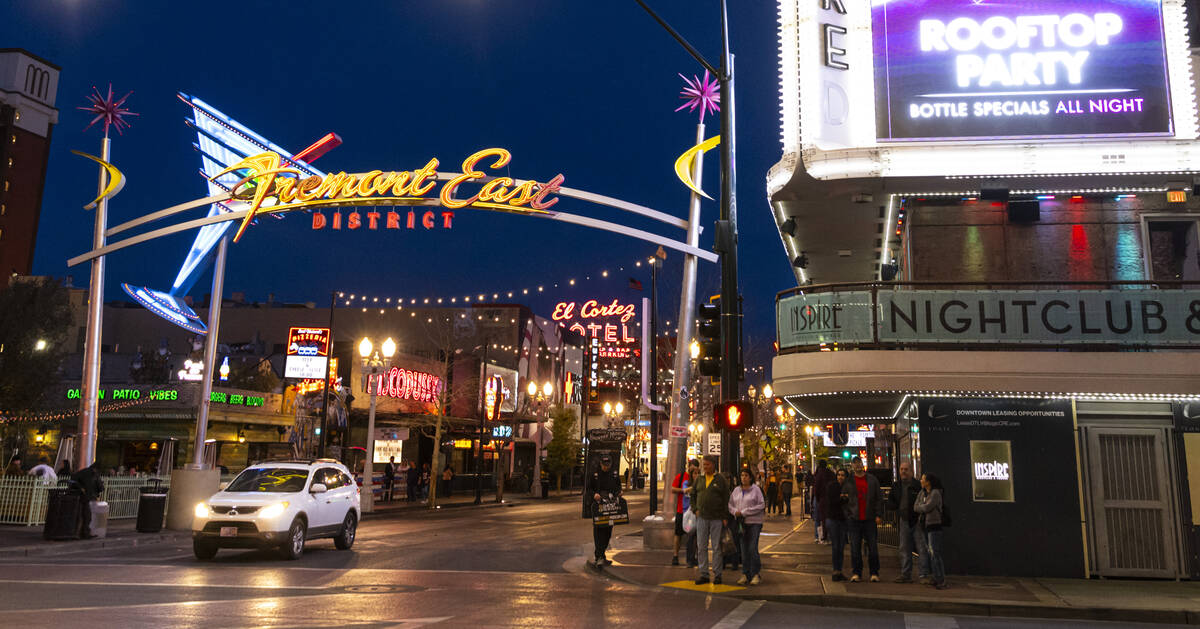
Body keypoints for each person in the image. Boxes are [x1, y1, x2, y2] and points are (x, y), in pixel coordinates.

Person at [841, 457, 883, 582]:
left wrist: (879, 514)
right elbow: (843, 500)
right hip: (854, 519)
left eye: (859, 463)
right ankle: (856, 573)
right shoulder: (848, 482)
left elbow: (878, 498)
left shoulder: (872, 480)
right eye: (855, 464)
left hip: (869, 518)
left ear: (862, 464)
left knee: (873, 547)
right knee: (855, 547)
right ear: (852, 466)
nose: (858, 466)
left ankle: (874, 573)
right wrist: (848, 515)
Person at [690, 455, 730, 585]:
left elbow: (726, 498)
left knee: (716, 547)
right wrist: (695, 509)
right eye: (704, 465)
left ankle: (717, 574)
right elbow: (693, 495)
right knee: (701, 546)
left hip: (717, 518)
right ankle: (704, 574)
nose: (705, 467)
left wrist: (724, 516)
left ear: (713, 465)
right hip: (702, 518)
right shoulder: (699, 479)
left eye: (707, 465)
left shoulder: (720, 479)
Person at [887, 461, 930, 584]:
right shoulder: (896, 486)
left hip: (917, 520)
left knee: (922, 548)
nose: (903, 472)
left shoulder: (917, 485)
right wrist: (895, 507)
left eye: (906, 469)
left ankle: (923, 575)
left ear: (911, 471)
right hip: (904, 520)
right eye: (901, 469)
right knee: (904, 548)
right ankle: (906, 574)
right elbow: (891, 500)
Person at [729, 468, 765, 585]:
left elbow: (761, 505)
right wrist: (735, 512)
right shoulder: (736, 490)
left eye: (746, 475)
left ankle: (755, 573)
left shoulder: (756, 490)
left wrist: (745, 512)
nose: (743, 478)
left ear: (750, 477)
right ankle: (745, 573)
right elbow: (730, 504)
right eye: (742, 475)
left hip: (754, 523)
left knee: (752, 548)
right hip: (741, 524)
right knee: (743, 549)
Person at [586, 454, 622, 567]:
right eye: (604, 465)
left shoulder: (614, 475)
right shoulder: (595, 475)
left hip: (611, 505)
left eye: (608, 465)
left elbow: (618, 487)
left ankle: (602, 555)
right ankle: (599, 556)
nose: (606, 467)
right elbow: (588, 488)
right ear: (600, 464)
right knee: (598, 531)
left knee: (608, 531)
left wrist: (619, 492)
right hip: (599, 505)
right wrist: (594, 494)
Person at [914, 472, 948, 590]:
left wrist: (922, 507)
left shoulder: (935, 493)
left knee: (935, 553)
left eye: (923, 479)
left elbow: (927, 507)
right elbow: (915, 507)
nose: (921, 481)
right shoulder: (922, 492)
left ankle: (941, 579)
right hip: (925, 526)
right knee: (930, 552)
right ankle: (936, 576)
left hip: (934, 525)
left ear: (928, 482)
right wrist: (923, 507)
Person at [671, 458, 700, 567]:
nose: (694, 473)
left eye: (696, 470)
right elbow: (673, 489)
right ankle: (675, 555)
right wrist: (684, 490)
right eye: (692, 470)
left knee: (693, 535)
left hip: (694, 512)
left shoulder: (699, 480)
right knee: (679, 533)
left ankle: (693, 557)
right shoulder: (682, 477)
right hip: (682, 511)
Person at [825, 467, 849, 581]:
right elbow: (832, 501)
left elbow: (850, 500)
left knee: (841, 546)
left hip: (843, 520)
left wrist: (843, 498)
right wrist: (842, 498)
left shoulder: (848, 487)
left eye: (843, 475)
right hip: (833, 519)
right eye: (839, 474)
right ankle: (836, 571)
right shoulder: (832, 486)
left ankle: (839, 570)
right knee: (836, 546)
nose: (840, 477)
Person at [72, 461, 105, 539]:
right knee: (87, 516)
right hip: (89, 497)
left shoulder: (83, 471)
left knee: (80, 515)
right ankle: (85, 533)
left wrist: (80, 488)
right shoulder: (94, 474)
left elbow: (73, 478)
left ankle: (78, 532)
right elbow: (100, 487)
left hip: (80, 497)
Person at [812, 459, 834, 542]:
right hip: (829, 499)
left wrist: (816, 499)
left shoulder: (819, 474)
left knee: (818, 518)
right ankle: (828, 535)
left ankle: (818, 536)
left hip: (820, 499)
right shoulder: (831, 474)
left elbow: (816, 488)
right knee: (828, 518)